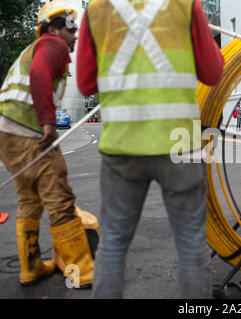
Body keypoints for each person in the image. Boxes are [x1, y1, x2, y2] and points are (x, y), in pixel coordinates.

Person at [76, 0, 224, 298]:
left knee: (114, 242)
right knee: (191, 244)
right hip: (179, 144)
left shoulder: (96, 9)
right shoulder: (186, 5)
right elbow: (212, 73)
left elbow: (85, 82)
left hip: (122, 147)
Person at [0, 1, 97, 288]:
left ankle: (30, 268)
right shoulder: (51, 45)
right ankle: (81, 272)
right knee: (60, 199)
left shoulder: (34, 49)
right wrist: (47, 123)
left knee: (29, 200)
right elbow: (40, 74)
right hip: (30, 132)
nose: (75, 34)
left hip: (7, 133)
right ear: (53, 28)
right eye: (71, 28)